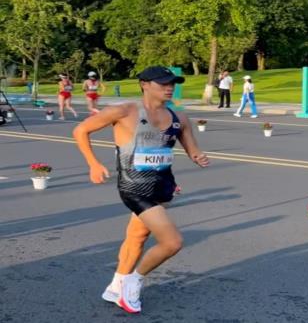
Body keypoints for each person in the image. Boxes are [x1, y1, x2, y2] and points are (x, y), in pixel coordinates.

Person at [73, 66, 209, 314]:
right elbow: (81, 130)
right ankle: (133, 281)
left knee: (137, 237)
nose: (169, 87)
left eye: (172, 83)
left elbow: (192, 148)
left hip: (163, 186)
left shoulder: (179, 118)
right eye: (163, 83)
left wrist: (198, 157)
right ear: (145, 84)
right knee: (172, 242)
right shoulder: (124, 111)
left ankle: (116, 285)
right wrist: (93, 164)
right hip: (134, 188)